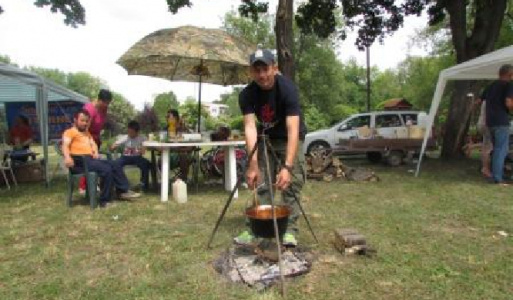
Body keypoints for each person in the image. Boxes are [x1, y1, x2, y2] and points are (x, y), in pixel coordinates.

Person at [236, 48, 308, 246]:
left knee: (291, 184)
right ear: (251, 72)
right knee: (261, 184)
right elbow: (250, 127)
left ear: (274, 68)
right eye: (257, 70)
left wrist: (287, 167)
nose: (262, 75)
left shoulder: (288, 89)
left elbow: (293, 129)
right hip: (266, 138)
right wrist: (253, 166)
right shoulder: (247, 95)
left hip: (289, 137)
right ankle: (254, 229)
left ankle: (290, 230)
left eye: (265, 69)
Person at [62, 110, 140, 207]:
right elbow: (65, 146)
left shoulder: (87, 133)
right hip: (79, 162)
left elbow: (93, 144)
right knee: (106, 170)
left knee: (115, 164)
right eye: (82, 120)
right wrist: (67, 157)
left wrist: (95, 151)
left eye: (86, 121)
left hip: (90, 160)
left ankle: (123, 191)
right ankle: (104, 201)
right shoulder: (69, 132)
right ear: (75, 120)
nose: (85, 123)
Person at [483, 64, 513, 184]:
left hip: (490, 121)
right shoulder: (509, 85)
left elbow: (479, 101)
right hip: (501, 121)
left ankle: (497, 174)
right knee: (501, 150)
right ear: (510, 74)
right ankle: (497, 178)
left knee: (497, 149)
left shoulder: (490, 86)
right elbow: (508, 102)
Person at [78, 89, 113, 194]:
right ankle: (83, 187)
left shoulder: (104, 109)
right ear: (99, 100)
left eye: (108, 103)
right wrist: (91, 145)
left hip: (96, 138)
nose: (106, 105)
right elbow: (84, 130)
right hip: (86, 140)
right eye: (105, 103)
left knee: (96, 163)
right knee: (89, 163)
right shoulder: (89, 109)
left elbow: (101, 122)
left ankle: (93, 185)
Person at [110, 120, 151, 191]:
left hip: (137, 157)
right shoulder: (125, 137)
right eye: (128, 132)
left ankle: (143, 183)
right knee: (116, 164)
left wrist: (142, 149)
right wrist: (113, 146)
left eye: (132, 132)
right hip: (125, 157)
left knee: (146, 164)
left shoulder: (142, 138)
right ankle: (120, 184)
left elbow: (144, 149)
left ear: (137, 132)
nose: (130, 134)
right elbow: (113, 146)